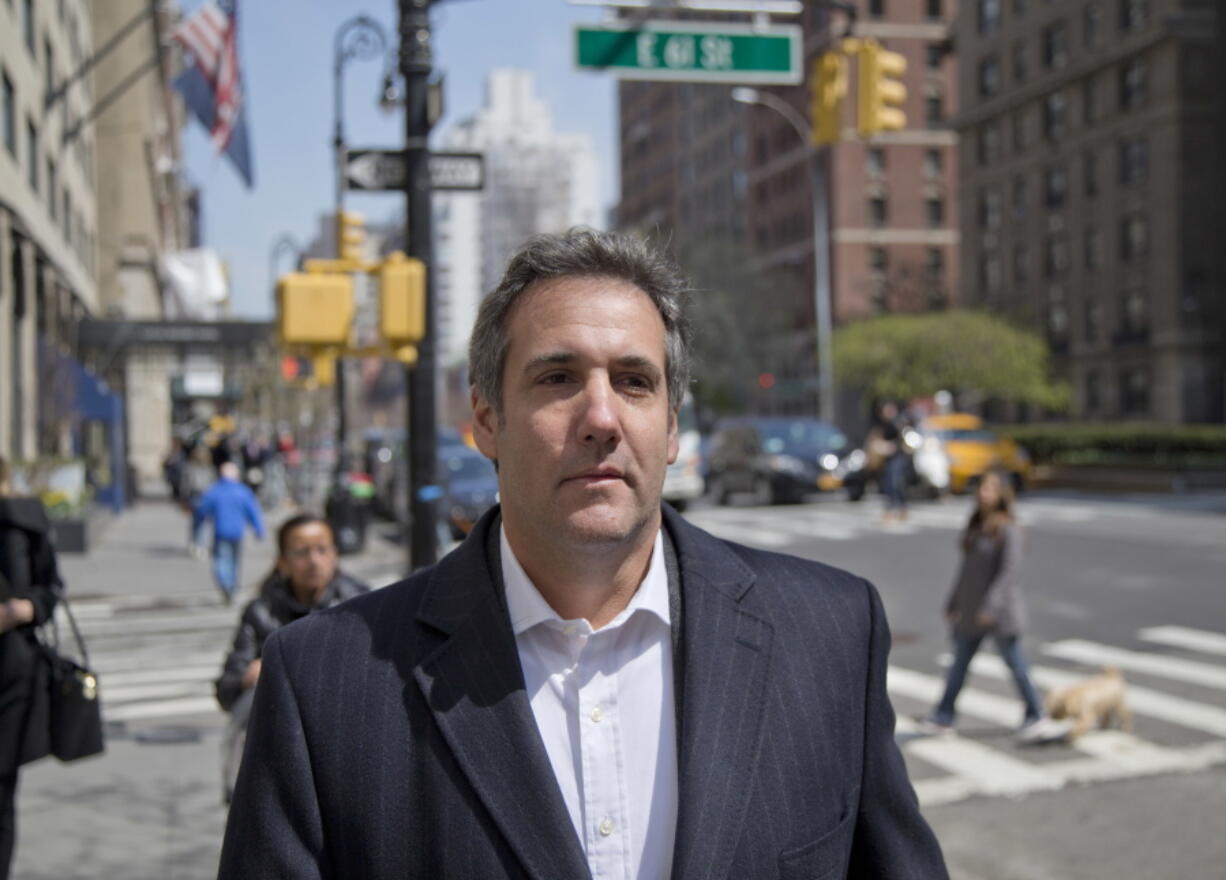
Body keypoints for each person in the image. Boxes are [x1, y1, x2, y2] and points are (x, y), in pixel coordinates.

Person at [219, 229, 948, 878]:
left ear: (669, 424)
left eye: (634, 381)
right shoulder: (323, 684)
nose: (601, 417)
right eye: (558, 377)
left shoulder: (830, 635)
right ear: (487, 420)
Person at [215, 513, 368, 803]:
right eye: (301, 551)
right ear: (283, 560)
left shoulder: (359, 605)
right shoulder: (262, 611)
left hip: (345, 749)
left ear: (335, 553)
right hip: (278, 751)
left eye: (322, 549)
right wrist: (250, 675)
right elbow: (226, 690)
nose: (314, 561)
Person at [920, 470, 1049, 739]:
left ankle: (1035, 712)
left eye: (990, 488)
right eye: (981, 488)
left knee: (1016, 665)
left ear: (1002, 494)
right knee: (959, 665)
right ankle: (944, 715)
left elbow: (1009, 573)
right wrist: (953, 600)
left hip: (999, 614)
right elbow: (966, 571)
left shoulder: (1008, 529)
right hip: (970, 611)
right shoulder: (976, 525)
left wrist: (991, 607)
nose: (983, 493)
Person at [0, 457, 64, 879]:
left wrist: (23, 609)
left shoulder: (22, 522)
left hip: (10, 674)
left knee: (0, 792)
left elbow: (51, 589)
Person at [192, 461, 265, 605]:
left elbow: (201, 510)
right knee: (234, 561)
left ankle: (226, 585)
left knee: (221, 560)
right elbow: (253, 512)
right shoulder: (243, 491)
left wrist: (197, 528)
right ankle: (231, 587)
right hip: (237, 532)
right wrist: (259, 530)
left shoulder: (215, 491)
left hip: (221, 531)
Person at [874, 400, 912, 522]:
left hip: (898, 458)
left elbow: (904, 441)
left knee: (896, 484)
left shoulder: (899, 423)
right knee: (889, 484)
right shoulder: (882, 424)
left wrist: (891, 446)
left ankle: (897, 510)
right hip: (886, 459)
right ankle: (895, 510)